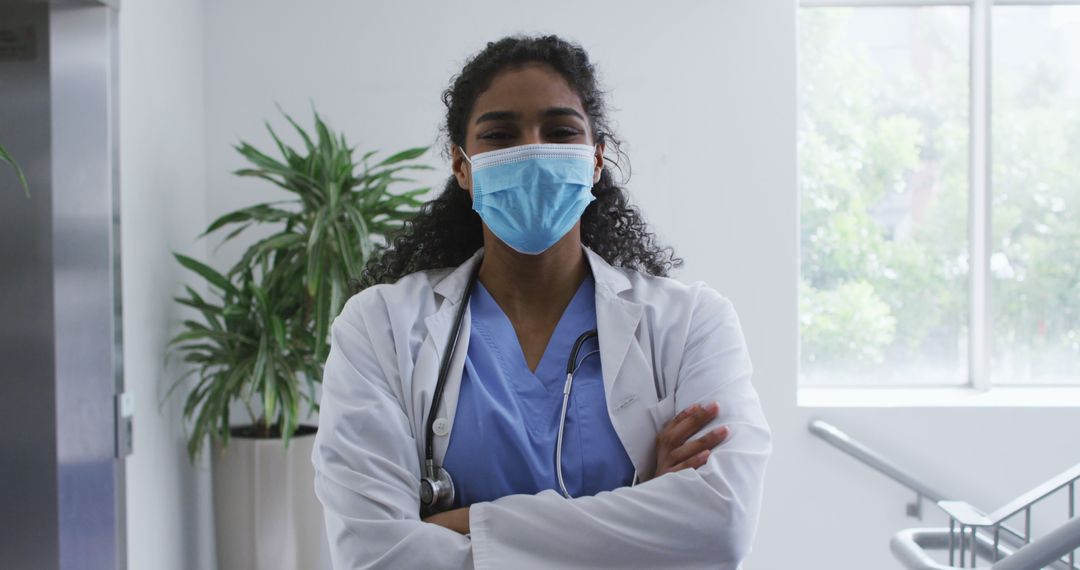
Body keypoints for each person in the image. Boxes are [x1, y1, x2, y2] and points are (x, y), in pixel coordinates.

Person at [311, 35, 771, 569]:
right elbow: (378, 556)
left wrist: (463, 527)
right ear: (462, 167)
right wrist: (643, 512)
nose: (531, 152)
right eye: (500, 135)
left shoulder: (690, 322)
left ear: (596, 159)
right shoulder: (380, 326)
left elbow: (721, 527)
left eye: (559, 132)